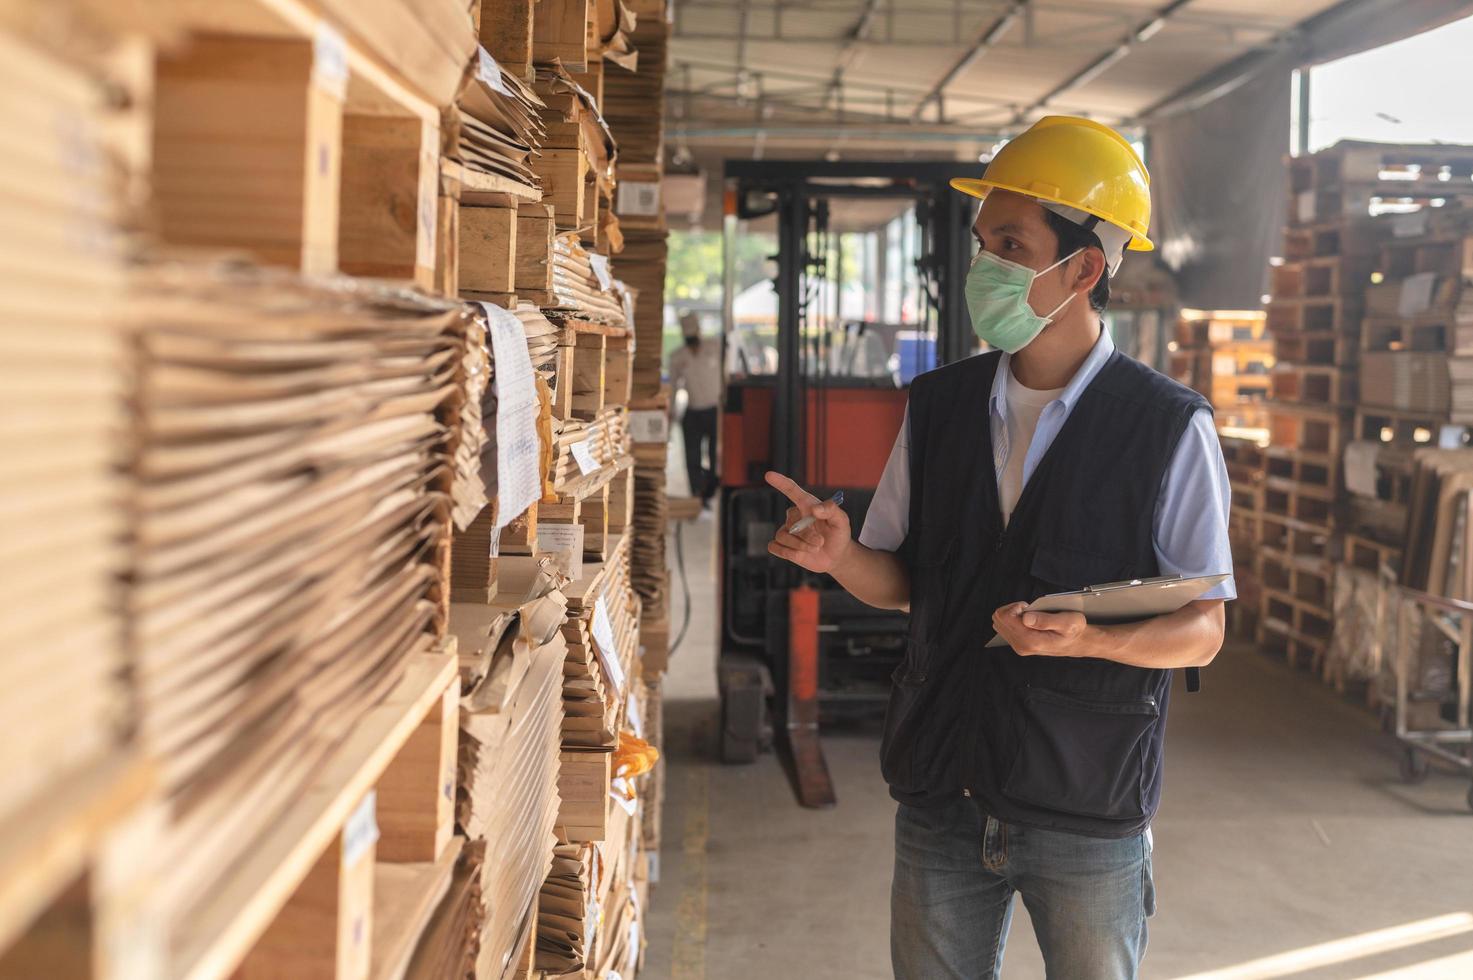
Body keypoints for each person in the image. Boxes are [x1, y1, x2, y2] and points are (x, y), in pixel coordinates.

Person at [763, 116, 1235, 980]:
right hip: (942, 786)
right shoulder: (938, 406)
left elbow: (1201, 626)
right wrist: (840, 559)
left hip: (1084, 800)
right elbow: (906, 586)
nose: (982, 264)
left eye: (1009, 243)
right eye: (982, 241)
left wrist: (1093, 638)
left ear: (1083, 267)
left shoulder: (1166, 426)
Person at [669, 311, 722, 506]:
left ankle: (710, 490)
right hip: (692, 410)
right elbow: (674, 386)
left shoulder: (714, 347)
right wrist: (672, 410)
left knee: (715, 453)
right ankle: (696, 494)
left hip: (714, 409)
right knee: (692, 455)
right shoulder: (677, 357)